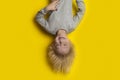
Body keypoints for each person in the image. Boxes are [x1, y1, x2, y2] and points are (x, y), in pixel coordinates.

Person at [35, 0, 85, 72]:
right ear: (70, 43)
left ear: (53, 44)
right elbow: (81, 11)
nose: (61, 40)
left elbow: (38, 18)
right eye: (65, 44)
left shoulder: (50, 28)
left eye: (58, 44)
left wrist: (46, 9)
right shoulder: (72, 26)